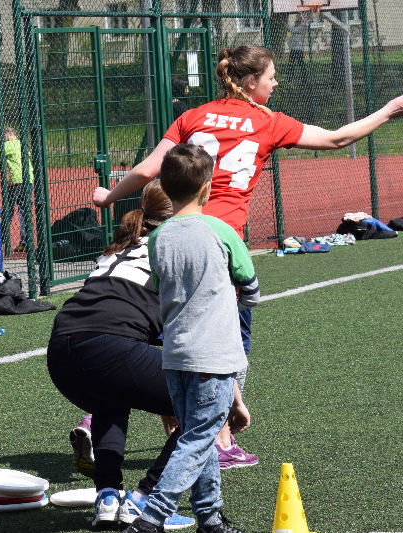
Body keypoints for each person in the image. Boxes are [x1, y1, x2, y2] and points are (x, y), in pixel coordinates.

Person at [92, 45, 403, 467]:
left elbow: (146, 171)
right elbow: (338, 138)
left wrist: (108, 198)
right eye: (271, 76)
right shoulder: (269, 122)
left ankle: (107, 417)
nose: (275, 83)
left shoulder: (192, 116)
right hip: (219, 243)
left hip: (172, 235)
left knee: (167, 334)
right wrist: (387, 111)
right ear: (251, 82)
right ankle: (218, 442)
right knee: (228, 346)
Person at [47, 180, 201, 530]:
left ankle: (108, 497)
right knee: (204, 405)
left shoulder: (119, 244)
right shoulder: (177, 245)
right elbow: (185, 327)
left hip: (60, 349)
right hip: (110, 345)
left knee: (109, 401)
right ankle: (147, 500)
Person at [123, 144, 258, 533]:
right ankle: (150, 517)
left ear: (164, 185)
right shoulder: (220, 229)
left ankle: (209, 516)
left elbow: (165, 285)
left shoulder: (158, 237)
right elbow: (251, 287)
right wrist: (234, 298)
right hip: (212, 355)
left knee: (195, 434)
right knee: (198, 440)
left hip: (175, 355)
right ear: (207, 188)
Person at [286, 13, 308, 86]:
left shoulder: (303, 25)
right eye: (298, 16)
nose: (298, 18)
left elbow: (293, 30)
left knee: (301, 65)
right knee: (291, 64)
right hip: (293, 49)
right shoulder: (297, 25)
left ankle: (304, 81)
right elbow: (291, 29)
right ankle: (289, 79)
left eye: (300, 16)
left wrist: (285, 25)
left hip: (298, 49)